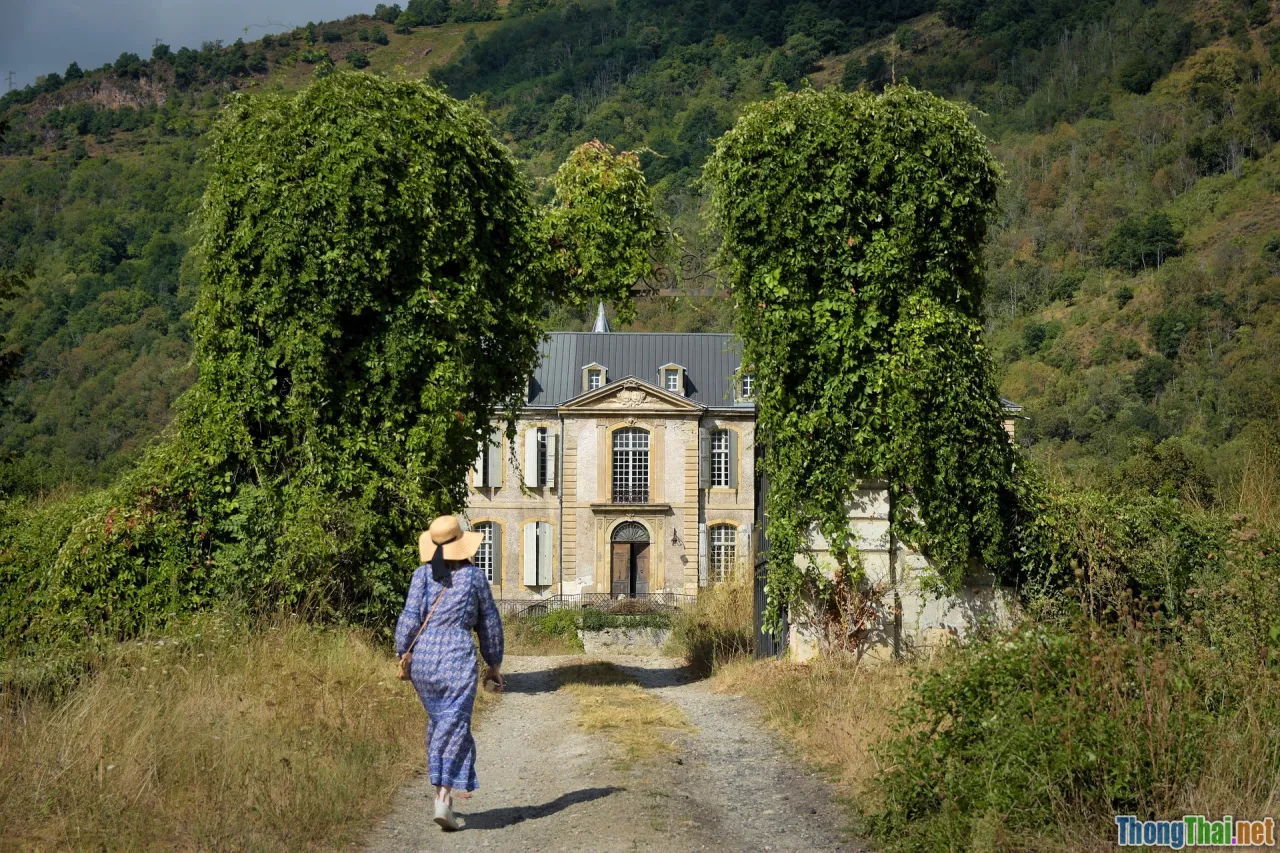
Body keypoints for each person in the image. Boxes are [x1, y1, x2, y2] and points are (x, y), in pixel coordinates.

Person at [395, 514, 504, 831]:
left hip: (425, 664)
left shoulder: (421, 576)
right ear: (462, 545)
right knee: (454, 725)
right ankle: (443, 799)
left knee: (442, 723)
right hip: (457, 658)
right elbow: (489, 625)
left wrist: (403, 651)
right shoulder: (474, 578)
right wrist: (493, 663)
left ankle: (446, 799)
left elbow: (408, 621)